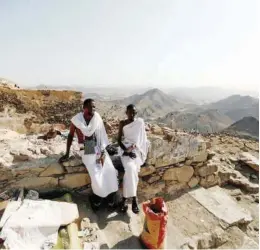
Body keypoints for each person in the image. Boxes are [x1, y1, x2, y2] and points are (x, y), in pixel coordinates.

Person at [59, 99, 118, 210]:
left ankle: (110, 198)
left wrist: (103, 150)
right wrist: (67, 153)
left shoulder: (96, 117)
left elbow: (101, 135)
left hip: (98, 147)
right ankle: (98, 199)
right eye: (91, 107)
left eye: (95, 107)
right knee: (96, 174)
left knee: (109, 170)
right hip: (87, 147)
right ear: (84, 108)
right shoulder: (77, 120)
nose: (94, 109)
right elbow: (71, 136)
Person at [117, 104, 149, 213]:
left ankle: (125, 199)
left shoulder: (139, 122)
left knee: (132, 170)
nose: (132, 114)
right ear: (126, 113)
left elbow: (142, 140)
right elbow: (119, 141)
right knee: (131, 168)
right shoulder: (122, 123)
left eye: (134, 112)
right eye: (130, 112)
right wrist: (126, 151)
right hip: (125, 149)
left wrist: (134, 148)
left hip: (136, 149)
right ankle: (134, 199)